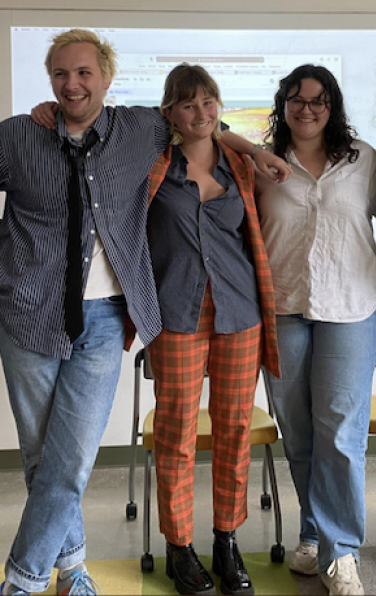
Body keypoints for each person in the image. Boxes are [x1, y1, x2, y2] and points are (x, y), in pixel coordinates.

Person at [0, 29, 289, 596]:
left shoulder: (140, 129)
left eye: (84, 72)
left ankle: (25, 581)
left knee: (72, 457)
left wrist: (256, 151)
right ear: (50, 79)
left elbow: (202, 122)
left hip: (107, 317)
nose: (72, 83)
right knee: (43, 457)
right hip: (28, 314)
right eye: (61, 73)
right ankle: (74, 569)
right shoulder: (17, 134)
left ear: (107, 77)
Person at [143, 63, 280, 596]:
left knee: (233, 431)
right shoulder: (152, 166)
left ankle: (227, 540)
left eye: (208, 102)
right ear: (169, 113)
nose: (199, 113)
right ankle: (181, 548)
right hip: (175, 314)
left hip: (238, 313)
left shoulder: (241, 168)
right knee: (175, 435)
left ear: (219, 107)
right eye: (186, 104)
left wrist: (250, 148)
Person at [254, 65, 376, 596]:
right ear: (282, 104)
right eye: (296, 99)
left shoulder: (362, 160)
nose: (306, 109)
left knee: (340, 434)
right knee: (302, 433)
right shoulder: (260, 163)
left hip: (350, 309)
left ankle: (341, 553)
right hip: (282, 306)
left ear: (332, 107)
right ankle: (312, 532)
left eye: (318, 100)